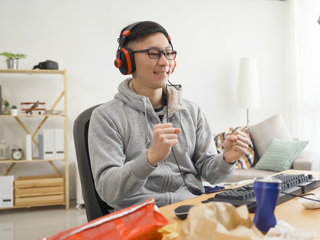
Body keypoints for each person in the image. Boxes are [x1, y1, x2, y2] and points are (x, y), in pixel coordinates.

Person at [88, 21, 249, 211]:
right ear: (127, 61)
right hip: (140, 216)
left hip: (191, 210)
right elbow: (108, 190)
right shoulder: (106, 117)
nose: (164, 62)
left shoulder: (192, 112)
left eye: (168, 53)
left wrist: (226, 159)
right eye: (154, 53)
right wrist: (150, 159)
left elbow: (212, 175)